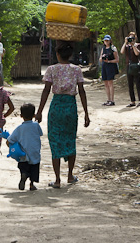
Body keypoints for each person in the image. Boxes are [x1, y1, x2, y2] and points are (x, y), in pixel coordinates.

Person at [35, 42, 90, 189]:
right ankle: (70, 175)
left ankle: (58, 179)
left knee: (55, 141)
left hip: (56, 107)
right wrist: (86, 113)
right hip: (70, 107)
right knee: (70, 140)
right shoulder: (76, 70)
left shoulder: (52, 69)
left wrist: (39, 111)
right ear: (70, 55)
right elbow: (82, 91)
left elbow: (46, 91)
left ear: (57, 55)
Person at [7, 103, 43, 191]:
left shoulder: (19, 128)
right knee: (34, 168)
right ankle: (31, 184)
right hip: (35, 152)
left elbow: (9, 140)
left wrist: (11, 147)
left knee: (23, 167)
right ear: (34, 115)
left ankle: (24, 174)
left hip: (23, 154)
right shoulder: (36, 125)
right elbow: (40, 134)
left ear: (21, 116)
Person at [120, 31, 140, 107]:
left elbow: (137, 53)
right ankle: (132, 101)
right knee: (130, 84)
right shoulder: (127, 46)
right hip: (129, 66)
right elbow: (121, 52)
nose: (131, 39)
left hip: (136, 66)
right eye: (130, 37)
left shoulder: (138, 45)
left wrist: (133, 45)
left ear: (135, 38)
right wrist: (125, 43)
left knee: (138, 84)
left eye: (132, 38)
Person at [100, 35, 119, 106]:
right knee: (106, 83)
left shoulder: (113, 48)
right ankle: (108, 99)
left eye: (107, 40)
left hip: (110, 66)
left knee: (110, 83)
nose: (106, 42)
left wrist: (109, 61)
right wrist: (103, 58)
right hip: (104, 66)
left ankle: (112, 100)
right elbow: (100, 59)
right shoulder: (103, 48)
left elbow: (117, 60)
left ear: (110, 41)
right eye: (105, 41)